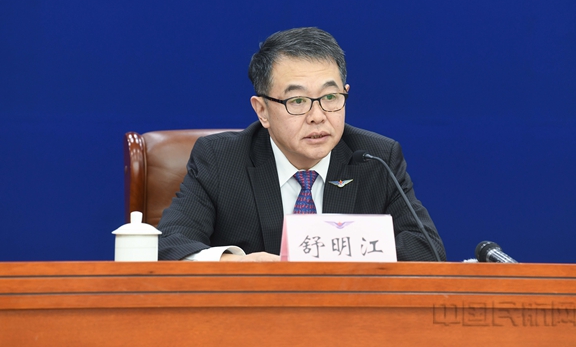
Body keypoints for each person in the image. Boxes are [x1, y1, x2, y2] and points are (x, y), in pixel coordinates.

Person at [157, 27, 445, 262]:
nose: (317, 116)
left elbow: (427, 250)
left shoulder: (376, 159)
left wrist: (335, 256)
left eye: (330, 97)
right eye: (297, 101)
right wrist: (237, 265)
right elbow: (168, 245)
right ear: (262, 110)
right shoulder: (221, 160)